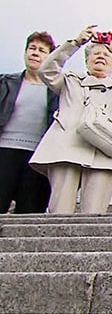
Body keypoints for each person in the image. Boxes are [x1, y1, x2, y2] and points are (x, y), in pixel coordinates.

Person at [30, 26, 112, 214]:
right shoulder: (69, 81)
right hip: (65, 150)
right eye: (96, 53)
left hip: (104, 154)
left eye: (107, 55)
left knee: (94, 214)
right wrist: (76, 43)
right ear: (86, 61)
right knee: (59, 210)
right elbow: (46, 70)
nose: (101, 56)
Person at [0, 31, 59, 213]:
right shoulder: (5, 82)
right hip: (5, 152)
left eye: (42, 50)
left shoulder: (57, 90)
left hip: (37, 157)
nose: (35, 53)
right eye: (32, 48)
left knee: (30, 210)